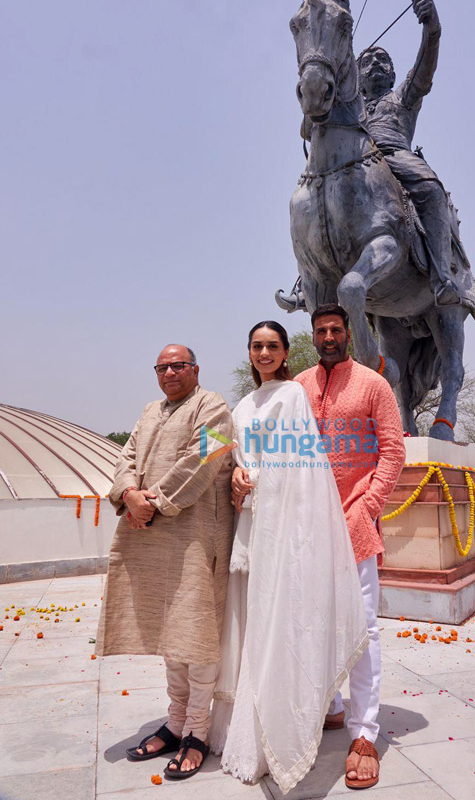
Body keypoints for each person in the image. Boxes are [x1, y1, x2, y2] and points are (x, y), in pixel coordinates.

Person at [209, 321, 368, 795]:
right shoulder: (238, 405)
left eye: (272, 346)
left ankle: (280, 724)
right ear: (248, 352)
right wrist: (234, 473)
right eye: (256, 346)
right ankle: (242, 723)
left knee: (276, 620)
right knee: (249, 619)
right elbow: (212, 454)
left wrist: (255, 480)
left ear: (285, 352)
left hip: (278, 523)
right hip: (249, 523)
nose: (264, 353)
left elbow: (297, 465)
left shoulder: (292, 396)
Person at [96, 344, 234, 780]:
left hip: (196, 538)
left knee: (197, 634)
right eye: (163, 366)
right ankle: (175, 722)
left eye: (179, 365)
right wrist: (129, 495)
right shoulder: (150, 411)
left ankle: (197, 731)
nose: (170, 372)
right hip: (151, 536)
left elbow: (204, 458)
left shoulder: (213, 407)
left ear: (196, 369)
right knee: (169, 634)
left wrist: (151, 502)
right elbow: (126, 457)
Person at [295, 304, 406, 790]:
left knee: (361, 630)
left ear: (348, 334)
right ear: (314, 336)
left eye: (336, 329)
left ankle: (364, 734)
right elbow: (254, 436)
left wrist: (369, 504)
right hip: (308, 528)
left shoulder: (372, 384)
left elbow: (394, 450)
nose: (329, 337)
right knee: (312, 623)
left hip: (356, 523)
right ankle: (332, 708)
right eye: (321, 330)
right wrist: (214, 457)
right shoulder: (297, 385)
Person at [358, 0, 460, 307]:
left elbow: (425, 65)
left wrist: (432, 27)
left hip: (395, 157)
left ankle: (442, 276)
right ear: (358, 78)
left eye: (383, 59)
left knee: (431, 188)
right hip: (356, 165)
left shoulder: (403, 95)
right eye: (367, 61)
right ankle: (306, 282)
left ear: (392, 73)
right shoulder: (352, 106)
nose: (375, 62)